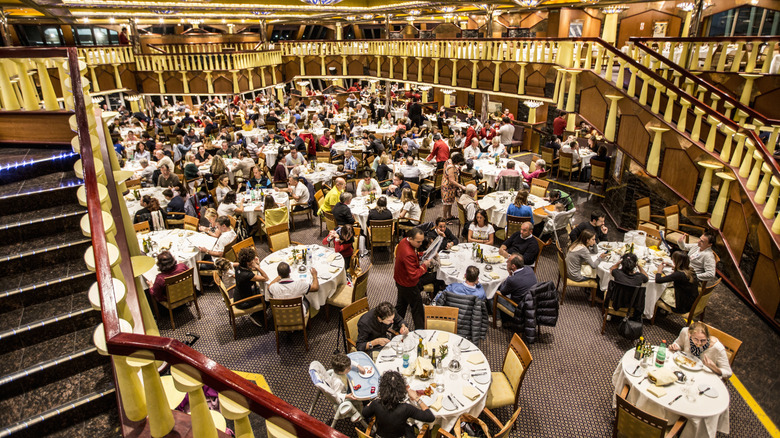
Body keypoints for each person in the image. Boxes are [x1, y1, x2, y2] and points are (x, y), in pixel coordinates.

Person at [361, 371, 434, 438]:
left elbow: (364, 413)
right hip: (400, 435)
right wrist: (417, 398)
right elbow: (430, 417)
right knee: (410, 427)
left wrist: (372, 401)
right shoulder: (406, 408)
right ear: (401, 389)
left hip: (380, 436)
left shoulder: (376, 403)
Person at [394, 228, 433, 330]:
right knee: (417, 309)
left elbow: (414, 254)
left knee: (401, 306)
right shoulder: (408, 254)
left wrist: (422, 255)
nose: (420, 244)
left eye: (421, 241)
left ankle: (395, 328)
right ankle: (420, 331)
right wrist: (424, 266)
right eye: (418, 242)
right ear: (410, 238)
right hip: (408, 284)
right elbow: (414, 275)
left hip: (400, 280)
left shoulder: (404, 241)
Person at [497, 255, 538, 329]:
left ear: (513, 266)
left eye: (508, 262)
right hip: (534, 303)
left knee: (494, 293)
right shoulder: (529, 269)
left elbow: (502, 291)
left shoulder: (512, 280)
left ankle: (497, 319)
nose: (506, 262)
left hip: (519, 308)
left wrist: (509, 276)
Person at [233, 247, 269, 327]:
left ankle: (259, 314)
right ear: (248, 262)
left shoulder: (239, 267)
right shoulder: (247, 275)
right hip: (243, 302)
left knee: (261, 291)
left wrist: (254, 264)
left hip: (240, 295)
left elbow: (249, 269)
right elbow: (266, 278)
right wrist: (257, 267)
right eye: (252, 259)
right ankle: (256, 316)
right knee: (267, 298)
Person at [441, 152, 466, 222]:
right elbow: (451, 180)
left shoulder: (448, 161)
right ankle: (444, 218)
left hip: (448, 185)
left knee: (450, 202)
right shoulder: (451, 167)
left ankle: (449, 215)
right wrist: (461, 186)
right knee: (446, 203)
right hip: (448, 186)